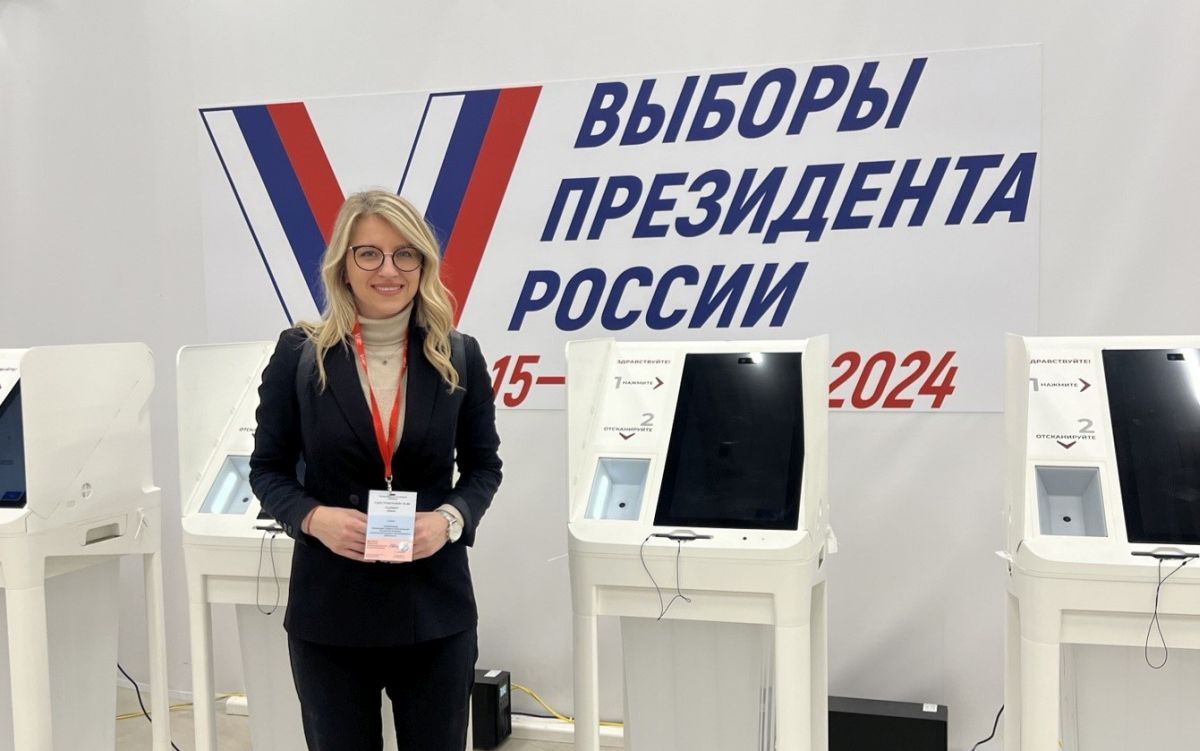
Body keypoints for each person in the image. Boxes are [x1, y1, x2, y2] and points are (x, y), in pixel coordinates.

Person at [249, 189, 502, 751]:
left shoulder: (458, 355)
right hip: (330, 613)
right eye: (369, 253)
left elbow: (484, 468)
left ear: (423, 264)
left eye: (404, 253)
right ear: (343, 264)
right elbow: (267, 470)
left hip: (434, 611)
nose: (388, 270)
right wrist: (312, 518)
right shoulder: (300, 354)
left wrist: (449, 521)